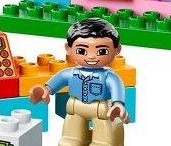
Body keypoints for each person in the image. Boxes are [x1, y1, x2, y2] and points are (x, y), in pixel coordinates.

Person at [30, 18, 129, 146]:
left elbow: (117, 87)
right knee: (71, 137)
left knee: (104, 137)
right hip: (75, 107)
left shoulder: (108, 76)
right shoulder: (70, 73)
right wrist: (46, 89)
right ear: (68, 48)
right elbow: (59, 80)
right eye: (82, 51)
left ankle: (102, 141)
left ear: (117, 50)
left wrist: (118, 104)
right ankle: (74, 139)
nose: (91, 56)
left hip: (101, 109)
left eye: (102, 51)